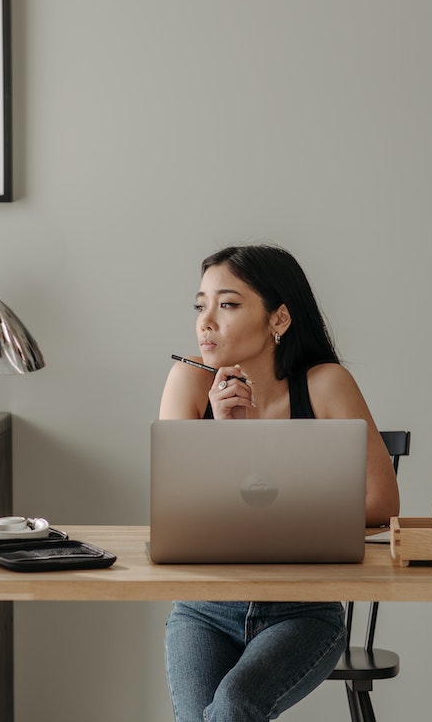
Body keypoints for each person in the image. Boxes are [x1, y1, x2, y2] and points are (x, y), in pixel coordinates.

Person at [160, 244, 400, 722]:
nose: (205, 321)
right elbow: (175, 511)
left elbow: (381, 501)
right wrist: (226, 438)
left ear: (280, 319)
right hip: (205, 608)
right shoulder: (189, 380)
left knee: (233, 707)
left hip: (303, 610)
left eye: (227, 304)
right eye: (200, 305)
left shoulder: (325, 384)